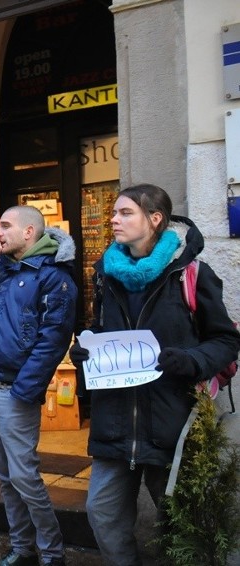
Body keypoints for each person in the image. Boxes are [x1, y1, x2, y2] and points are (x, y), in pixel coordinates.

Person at [67, 184, 240, 565]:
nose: (114, 219)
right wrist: (88, 350)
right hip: (115, 425)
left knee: (180, 523)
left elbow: (226, 340)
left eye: (125, 213)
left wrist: (192, 360)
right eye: (113, 212)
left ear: (155, 218)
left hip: (172, 423)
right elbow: (103, 330)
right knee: (103, 514)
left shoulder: (191, 273)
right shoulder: (105, 276)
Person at [0, 205, 76, 566]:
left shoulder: (53, 276)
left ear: (29, 233)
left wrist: (25, 390)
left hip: (14, 391)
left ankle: (52, 553)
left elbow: (53, 339)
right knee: (3, 473)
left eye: (5, 225)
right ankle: (22, 547)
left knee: (24, 475)